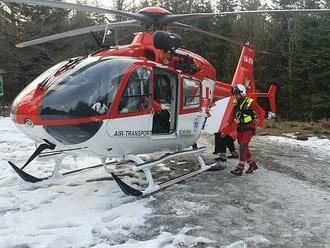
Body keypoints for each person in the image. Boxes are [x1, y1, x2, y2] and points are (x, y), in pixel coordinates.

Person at [222, 84, 265, 176]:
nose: (236, 96)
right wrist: (226, 130)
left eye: (237, 94)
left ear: (242, 93)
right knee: (243, 146)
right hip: (240, 128)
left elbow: (261, 112)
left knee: (243, 145)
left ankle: (240, 167)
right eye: (235, 95)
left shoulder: (250, 102)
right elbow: (232, 117)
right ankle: (252, 164)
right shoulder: (236, 103)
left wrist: (259, 125)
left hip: (249, 127)